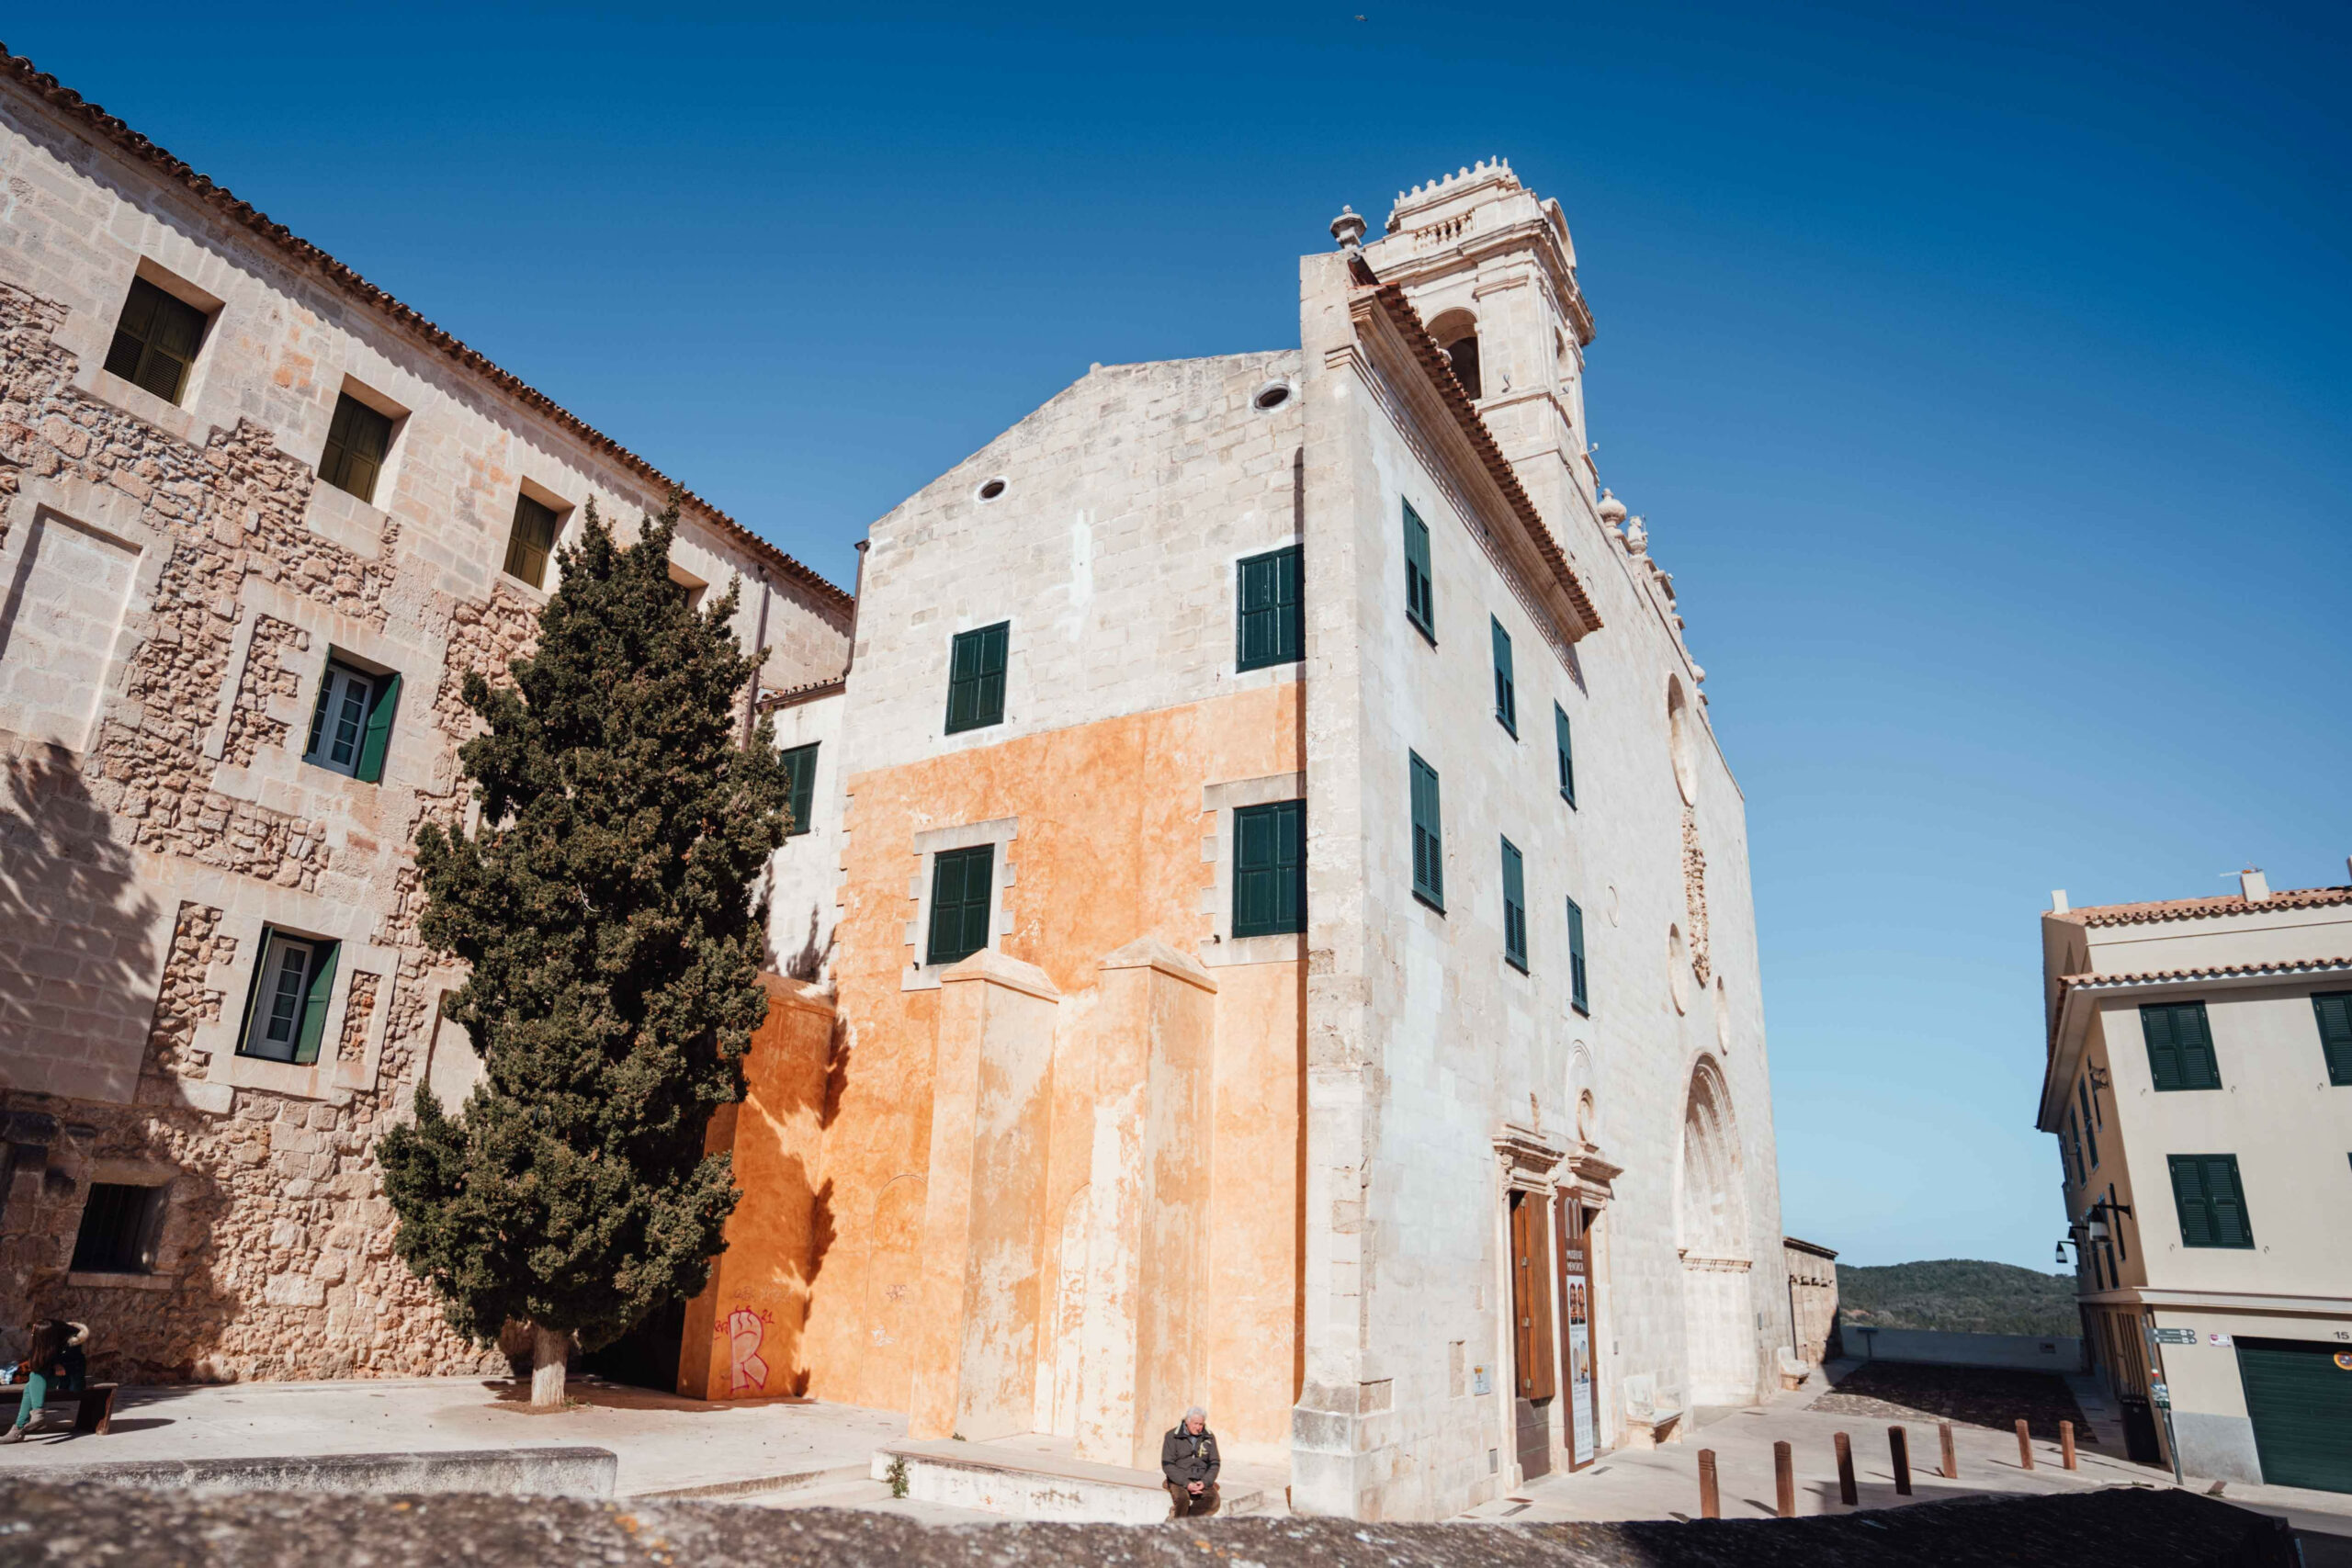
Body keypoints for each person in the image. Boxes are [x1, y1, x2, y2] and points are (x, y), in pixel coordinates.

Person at [0, 1319, 78, 1443]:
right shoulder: (51, 1343)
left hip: (72, 1378)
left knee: (35, 1377)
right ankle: (34, 1417)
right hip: (52, 1376)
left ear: (45, 1337)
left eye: (34, 1332)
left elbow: (77, 1365)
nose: (31, 1333)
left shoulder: (73, 1343)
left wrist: (61, 1364)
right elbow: (43, 1363)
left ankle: (20, 1429)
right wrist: (55, 1363)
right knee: (31, 1383)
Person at [1160, 1405, 1220, 1517]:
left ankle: (1180, 1520)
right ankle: (1179, 1528)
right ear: (1187, 1422)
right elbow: (1167, 1464)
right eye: (1195, 1423)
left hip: (1201, 1478)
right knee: (1182, 1500)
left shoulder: (1209, 1437)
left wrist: (1205, 1482)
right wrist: (1186, 1483)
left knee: (1213, 1501)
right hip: (1180, 1478)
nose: (1198, 1427)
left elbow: (1214, 1463)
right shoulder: (1172, 1436)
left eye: (1201, 1424)